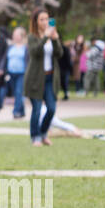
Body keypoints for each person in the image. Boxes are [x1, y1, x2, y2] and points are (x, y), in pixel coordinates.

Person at [25, 9, 65, 147]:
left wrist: (55, 39)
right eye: (41, 19)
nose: (45, 22)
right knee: (36, 109)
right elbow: (35, 52)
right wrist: (45, 38)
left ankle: (43, 133)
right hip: (35, 79)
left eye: (47, 19)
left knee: (52, 109)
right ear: (36, 21)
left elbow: (59, 54)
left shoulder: (51, 35)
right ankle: (35, 137)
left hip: (50, 78)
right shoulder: (32, 37)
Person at [5, 26, 28, 117]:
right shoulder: (10, 47)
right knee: (16, 93)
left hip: (21, 73)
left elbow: (28, 60)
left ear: (21, 36)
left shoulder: (26, 47)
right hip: (11, 73)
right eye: (14, 35)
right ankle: (22, 111)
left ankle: (16, 112)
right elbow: (5, 59)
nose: (14, 36)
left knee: (19, 92)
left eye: (16, 35)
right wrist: (1, 69)